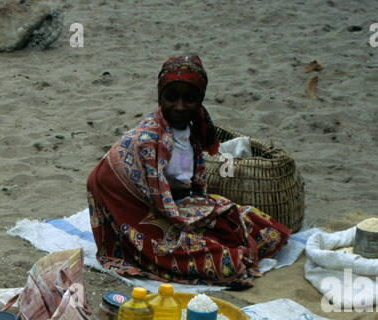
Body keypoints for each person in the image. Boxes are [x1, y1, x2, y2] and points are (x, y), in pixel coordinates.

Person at [86, 54, 290, 288]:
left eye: (190, 99)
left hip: (172, 203)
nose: (180, 106)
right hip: (131, 208)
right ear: (160, 97)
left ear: (200, 100)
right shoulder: (149, 140)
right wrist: (199, 218)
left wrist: (208, 212)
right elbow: (166, 207)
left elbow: (191, 190)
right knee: (216, 257)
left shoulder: (192, 132)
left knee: (255, 224)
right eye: (172, 98)